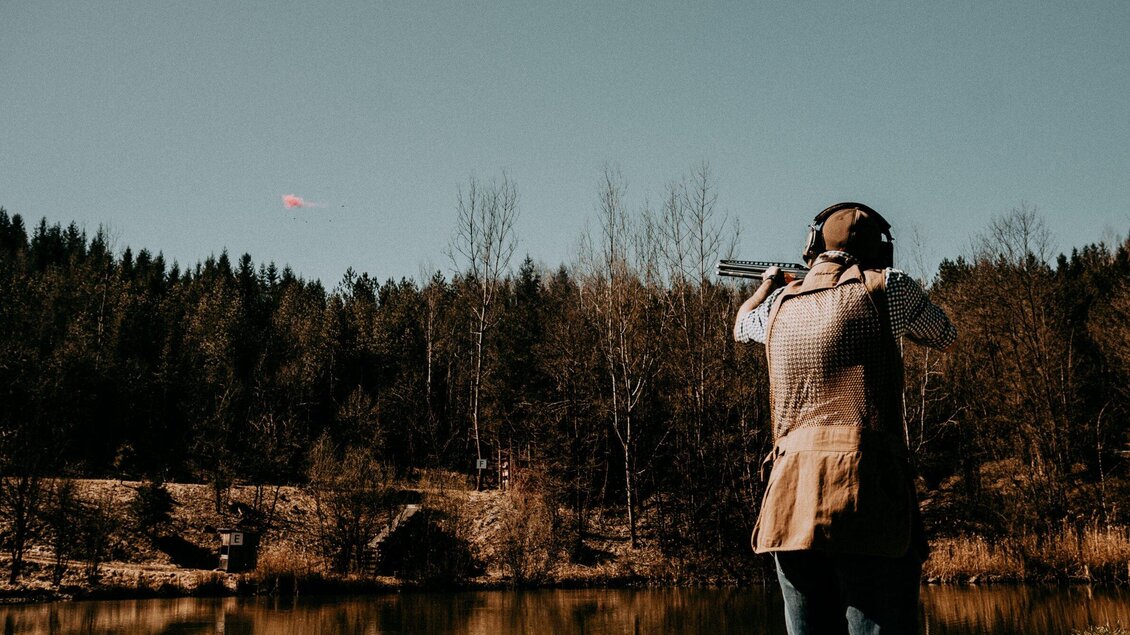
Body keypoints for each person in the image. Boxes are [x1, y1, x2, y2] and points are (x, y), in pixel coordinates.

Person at [733, 203, 956, 635]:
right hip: (868, 494)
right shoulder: (889, 287)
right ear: (881, 252)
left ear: (813, 246)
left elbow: (742, 325)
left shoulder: (778, 304)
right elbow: (945, 334)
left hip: (790, 503)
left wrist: (765, 288)